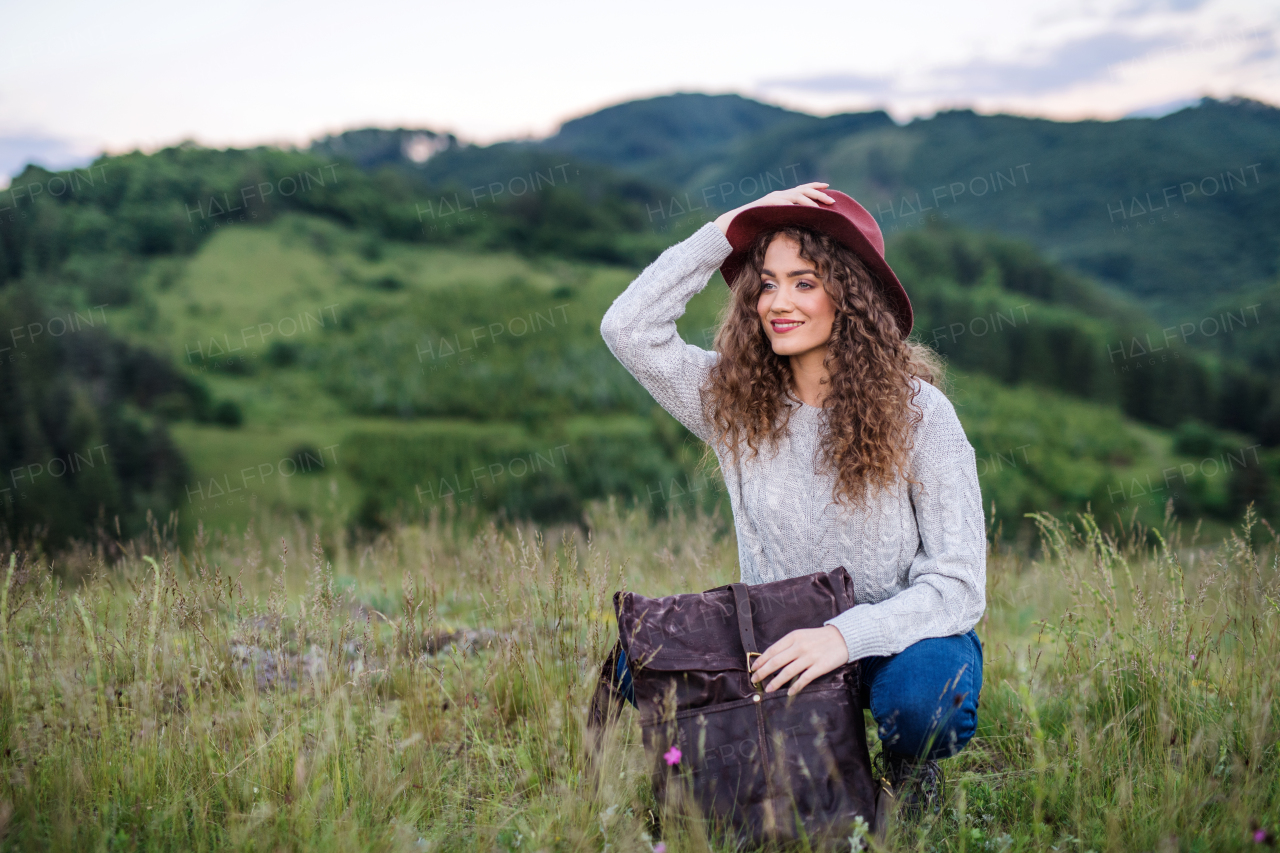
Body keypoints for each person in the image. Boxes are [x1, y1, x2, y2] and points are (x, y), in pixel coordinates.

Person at [598, 182, 986, 815]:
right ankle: (777, 744)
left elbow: (961, 585)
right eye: (767, 282)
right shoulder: (732, 401)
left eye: (804, 283)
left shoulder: (922, 415)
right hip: (780, 640)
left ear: (851, 297)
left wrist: (843, 636)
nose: (778, 302)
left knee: (922, 701)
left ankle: (910, 772)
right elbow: (628, 327)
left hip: (899, 639)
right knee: (634, 673)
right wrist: (730, 226)